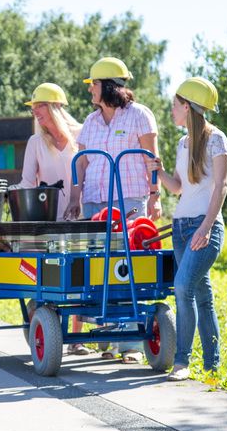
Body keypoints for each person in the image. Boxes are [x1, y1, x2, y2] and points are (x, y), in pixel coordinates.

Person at [63, 57, 162, 364]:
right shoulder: (91, 122)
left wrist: (156, 196)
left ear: (107, 85)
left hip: (129, 202)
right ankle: (106, 339)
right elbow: (81, 164)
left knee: (125, 269)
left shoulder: (139, 115)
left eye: (93, 84)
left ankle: (130, 345)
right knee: (98, 271)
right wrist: (74, 199)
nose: (90, 90)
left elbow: (152, 160)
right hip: (95, 203)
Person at [146, 78, 227, 381]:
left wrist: (206, 227)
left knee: (182, 287)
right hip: (181, 228)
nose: (171, 110)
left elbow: (221, 186)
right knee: (202, 295)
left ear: (187, 107)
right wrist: (160, 172)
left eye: (174, 105)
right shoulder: (183, 143)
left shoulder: (217, 139)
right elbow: (180, 187)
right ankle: (212, 365)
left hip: (204, 228)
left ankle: (182, 361)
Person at [21, 83, 91, 355]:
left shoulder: (83, 134)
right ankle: (41, 316)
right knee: (50, 275)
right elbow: (28, 182)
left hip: (80, 215)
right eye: (34, 107)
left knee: (81, 274)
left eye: (40, 106)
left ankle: (76, 337)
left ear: (56, 107)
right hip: (49, 220)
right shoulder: (35, 142)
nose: (36, 111)